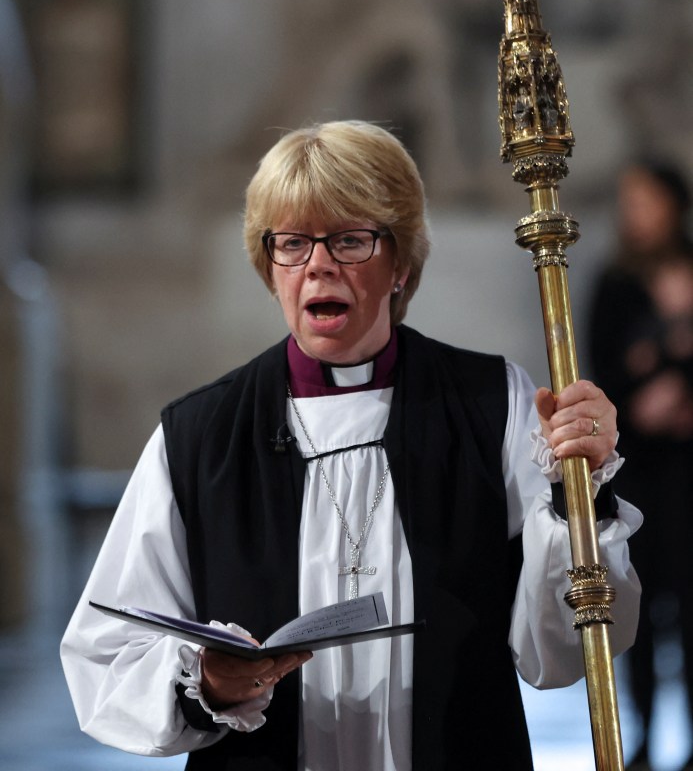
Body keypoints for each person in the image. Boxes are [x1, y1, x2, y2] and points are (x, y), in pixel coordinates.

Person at [61, 120, 641, 771]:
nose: (317, 264)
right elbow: (105, 650)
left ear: (399, 263)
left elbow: (564, 647)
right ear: (269, 265)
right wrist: (211, 682)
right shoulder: (200, 436)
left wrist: (579, 488)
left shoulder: (489, 403)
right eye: (292, 244)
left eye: (348, 240)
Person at [588, 160, 693, 771]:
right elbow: (604, 371)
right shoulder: (617, 281)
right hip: (644, 472)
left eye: (645, 200)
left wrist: (672, 368)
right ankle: (648, 741)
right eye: (629, 202)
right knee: (641, 612)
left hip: (689, 465)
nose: (636, 213)